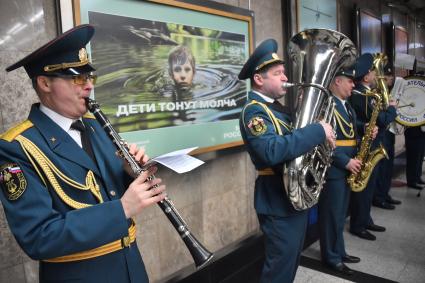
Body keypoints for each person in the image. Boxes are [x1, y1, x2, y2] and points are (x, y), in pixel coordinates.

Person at [0, 24, 166, 283]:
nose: (88, 86)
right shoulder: (16, 147)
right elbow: (38, 236)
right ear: (44, 83)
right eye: (77, 78)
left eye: (90, 78)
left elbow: (105, 192)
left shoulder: (94, 125)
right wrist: (122, 209)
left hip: (131, 268)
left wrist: (129, 174)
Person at [238, 38, 336, 283]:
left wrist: (321, 136)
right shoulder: (254, 111)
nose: (285, 77)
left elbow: (296, 144)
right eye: (278, 73)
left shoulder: (278, 109)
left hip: (292, 198)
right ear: (259, 79)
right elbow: (271, 150)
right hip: (277, 201)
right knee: (278, 272)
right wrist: (317, 131)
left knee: (289, 265)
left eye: (284, 72)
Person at [319, 66, 365, 276]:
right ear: (337, 81)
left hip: (347, 167)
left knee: (340, 214)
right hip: (334, 169)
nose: (353, 84)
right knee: (331, 215)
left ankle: (340, 251)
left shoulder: (347, 106)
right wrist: (346, 162)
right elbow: (323, 143)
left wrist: (366, 129)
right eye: (349, 80)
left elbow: (351, 128)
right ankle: (331, 257)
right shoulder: (326, 105)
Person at [349, 53, 397, 241]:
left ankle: (365, 219)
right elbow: (382, 119)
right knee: (364, 186)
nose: (376, 75)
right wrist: (392, 108)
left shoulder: (367, 93)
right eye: (372, 72)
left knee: (369, 187)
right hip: (366, 145)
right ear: (366, 76)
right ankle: (358, 224)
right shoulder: (361, 95)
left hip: (373, 144)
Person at [372, 66, 402, 207]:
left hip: (389, 133)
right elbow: (382, 118)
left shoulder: (386, 92)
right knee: (382, 168)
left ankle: (385, 193)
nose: (390, 79)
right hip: (382, 133)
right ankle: (379, 197)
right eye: (387, 77)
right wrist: (392, 108)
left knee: (388, 167)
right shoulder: (376, 93)